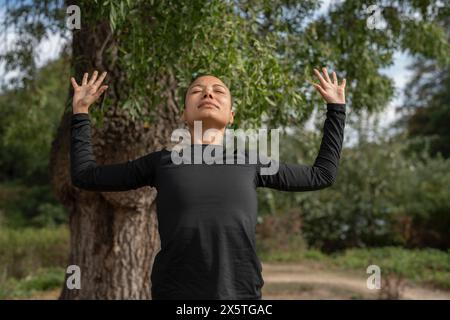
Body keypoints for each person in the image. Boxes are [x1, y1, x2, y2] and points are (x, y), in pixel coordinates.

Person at [70, 68, 347, 299]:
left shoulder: (252, 163)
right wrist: (81, 112)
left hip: (241, 294)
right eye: (196, 90)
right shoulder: (160, 162)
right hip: (175, 294)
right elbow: (85, 175)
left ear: (231, 116)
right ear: (184, 114)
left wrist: (336, 109)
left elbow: (321, 175)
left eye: (219, 90)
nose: (208, 93)